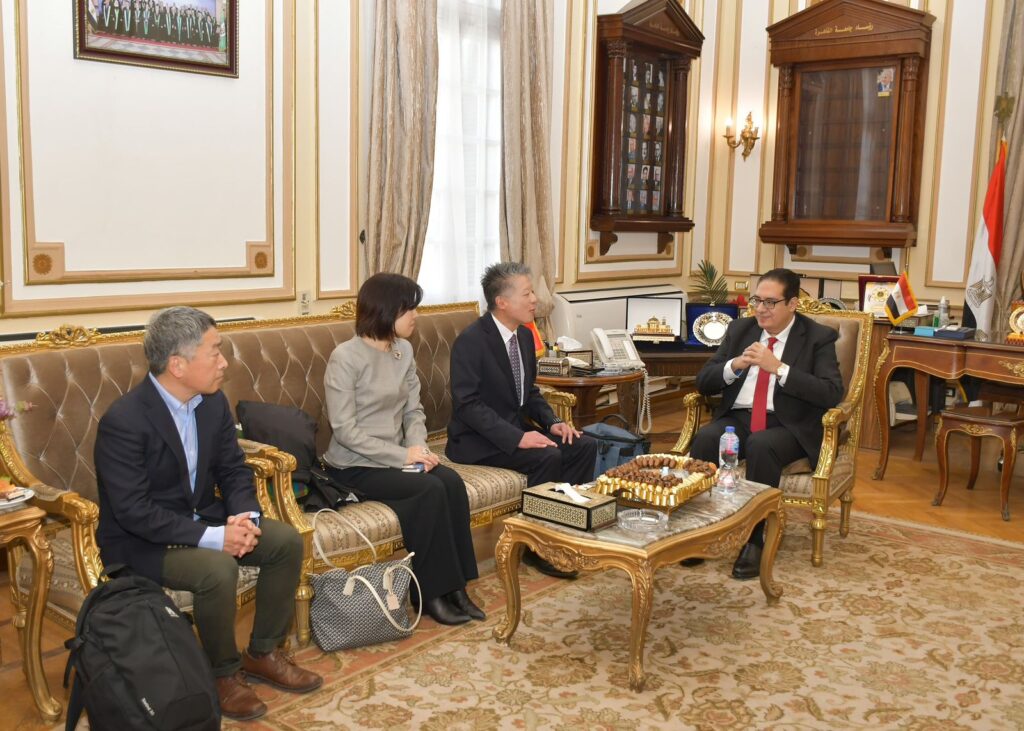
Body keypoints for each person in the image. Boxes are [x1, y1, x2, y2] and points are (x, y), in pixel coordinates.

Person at [94, 307, 322, 722]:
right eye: (214, 353)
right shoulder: (124, 421)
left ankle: (263, 652)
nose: (224, 363)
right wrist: (216, 537)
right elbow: (133, 511)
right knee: (217, 568)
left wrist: (245, 517)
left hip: (202, 518)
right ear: (177, 365)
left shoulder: (212, 403)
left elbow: (233, 469)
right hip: (142, 541)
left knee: (285, 542)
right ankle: (222, 674)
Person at [322, 273, 484, 627]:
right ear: (385, 310)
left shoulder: (403, 350)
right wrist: (403, 457)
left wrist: (418, 447)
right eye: (409, 308)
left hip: (398, 457)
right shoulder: (345, 358)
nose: (416, 315)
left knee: (450, 483)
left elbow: (413, 410)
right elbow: (345, 430)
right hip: (354, 465)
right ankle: (430, 594)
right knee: (428, 491)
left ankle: (457, 588)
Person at [689, 268, 844, 579]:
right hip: (739, 417)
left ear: (792, 304)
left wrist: (780, 369)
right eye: (757, 300)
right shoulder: (740, 329)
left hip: (789, 424)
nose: (760, 309)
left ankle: (756, 538)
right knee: (706, 438)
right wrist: (735, 365)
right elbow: (703, 381)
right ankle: (700, 529)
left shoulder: (817, 337)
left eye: (770, 302)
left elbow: (831, 392)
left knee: (761, 445)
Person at [446, 262, 598, 578]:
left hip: (514, 428)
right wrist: (518, 438)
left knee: (583, 445)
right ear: (502, 302)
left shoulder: (525, 337)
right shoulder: (471, 341)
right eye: (527, 293)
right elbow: (468, 406)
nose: (534, 300)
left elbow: (528, 392)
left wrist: (552, 422)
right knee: (547, 456)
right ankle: (536, 546)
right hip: (476, 440)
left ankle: (563, 530)